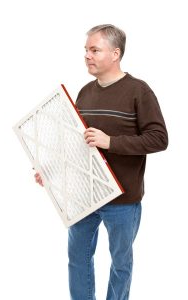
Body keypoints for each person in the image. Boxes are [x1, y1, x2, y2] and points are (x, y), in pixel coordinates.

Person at [35, 24, 168, 300]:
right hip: (84, 198)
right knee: (77, 261)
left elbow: (159, 139)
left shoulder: (139, 91)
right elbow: (75, 143)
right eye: (86, 50)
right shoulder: (84, 92)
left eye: (94, 50)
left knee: (120, 264)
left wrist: (112, 142)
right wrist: (50, 171)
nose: (87, 55)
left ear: (116, 53)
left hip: (123, 199)